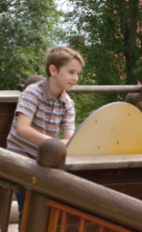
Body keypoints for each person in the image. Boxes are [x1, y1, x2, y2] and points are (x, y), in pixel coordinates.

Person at [6, 46, 84, 217]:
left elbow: (69, 139)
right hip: (21, 157)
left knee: (49, 209)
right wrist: (53, 144)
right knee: (27, 210)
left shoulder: (68, 103)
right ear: (53, 70)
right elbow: (22, 129)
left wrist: (60, 145)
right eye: (71, 72)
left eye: (78, 73)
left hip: (44, 161)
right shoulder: (33, 93)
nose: (76, 78)